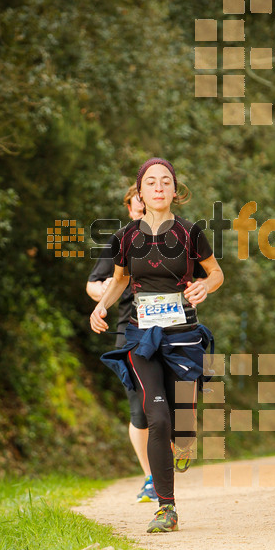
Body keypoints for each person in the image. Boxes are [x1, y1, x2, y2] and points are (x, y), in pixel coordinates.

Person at [90, 158, 224, 532]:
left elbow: (216, 273)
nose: (159, 187)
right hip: (143, 338)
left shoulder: (190, 232)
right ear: (141, 192)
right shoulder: (125, 238)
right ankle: (166, 508)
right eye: (151, 182)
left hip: (183, 338)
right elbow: (118, 281)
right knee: (158, 418)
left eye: (166, 181)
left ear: (175, 191)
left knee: (181, 423)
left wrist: (204, 286)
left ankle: (185, 441)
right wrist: (100, 306)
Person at [86, 185, 157, 503]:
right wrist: (101, 297)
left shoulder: (176, 234)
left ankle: (172, 451)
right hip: (129, 330)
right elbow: (94, 283)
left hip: (170, 328)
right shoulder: (120, 240)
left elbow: (201, 276)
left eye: (145, 200)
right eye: (135, 203)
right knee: (139, 407)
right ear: (129, 208)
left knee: (169, 401)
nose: (140, 206)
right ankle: (151, 477)